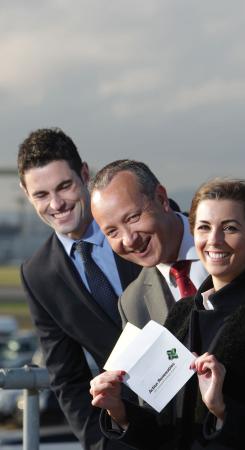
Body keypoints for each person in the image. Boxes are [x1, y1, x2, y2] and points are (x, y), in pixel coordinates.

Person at [90, 177, 245, 450]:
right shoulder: (183, 312)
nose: (214, 240)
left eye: (230, 228)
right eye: (204, 228)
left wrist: (222, 409)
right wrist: (119, 411)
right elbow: (166, 430)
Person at [17, 128, 141, 450]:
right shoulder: (37, 275)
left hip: (203, 408)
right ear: (26, 193)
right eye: (41, 195)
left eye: (64, 186)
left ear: (84, 174)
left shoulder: (142, 219)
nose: (56, 204)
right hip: (131, 428)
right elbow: (66, 378)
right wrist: (102, 444)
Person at [89, 159, 207, 331]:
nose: (129, 240)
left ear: (161, 199)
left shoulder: (230, 243)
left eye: (132, 218)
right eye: (112, 232)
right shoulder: (132, 306)